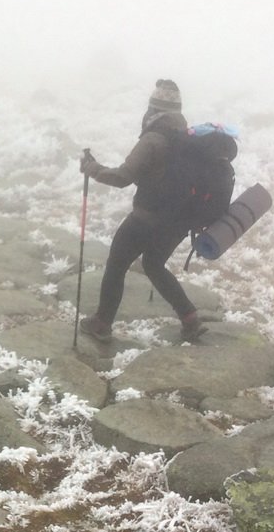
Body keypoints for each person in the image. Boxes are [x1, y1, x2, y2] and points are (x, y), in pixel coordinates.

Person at [79, 79, 207, 343]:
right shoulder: (188, 138)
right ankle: (190, 318)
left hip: (146, 219)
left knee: (116, 265)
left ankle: (102, 322)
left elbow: (124, 177)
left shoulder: (153, 139)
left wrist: (92, 169)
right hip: (176, 223)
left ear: (153, 110)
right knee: (153, 264)